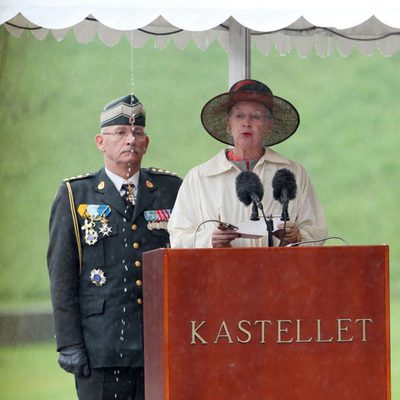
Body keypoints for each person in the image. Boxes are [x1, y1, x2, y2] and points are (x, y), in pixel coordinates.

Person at [47, 94, 182, 400]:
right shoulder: (75, 195)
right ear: (100, 141)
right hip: (101, 347)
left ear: (146, 143)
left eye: (137, 134)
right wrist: (69, 343)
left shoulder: (170, 189)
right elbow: (62, 276)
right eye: (120, 133)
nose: (130, 140)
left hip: (159, 345)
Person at [168, 79, 327, 248]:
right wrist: (210, 239)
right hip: (219, 273)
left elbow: (317, 231)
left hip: (279, 273)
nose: (246, 123)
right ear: (229, 124)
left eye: (256, 116)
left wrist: (299, 236)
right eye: (239, 115)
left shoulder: (293, 173)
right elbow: (178, 238)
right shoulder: (199, 177)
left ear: (268, 125)